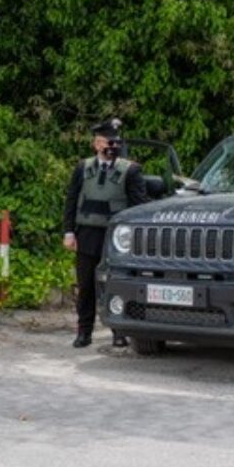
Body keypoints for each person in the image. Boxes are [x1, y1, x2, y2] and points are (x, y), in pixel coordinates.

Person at [62, 119, 148, 348]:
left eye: (113, 142)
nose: (109, 146)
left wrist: (135, 241)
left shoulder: (130, 170)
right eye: (104, 142)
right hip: (87, 234)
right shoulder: (83, 167)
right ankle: (84, 332)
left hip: (115, 238)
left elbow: (139, 208)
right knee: (86, 287)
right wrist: (68, 232)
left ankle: (118, 331)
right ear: (96, 144)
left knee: (114, 284)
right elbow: (71, 201)